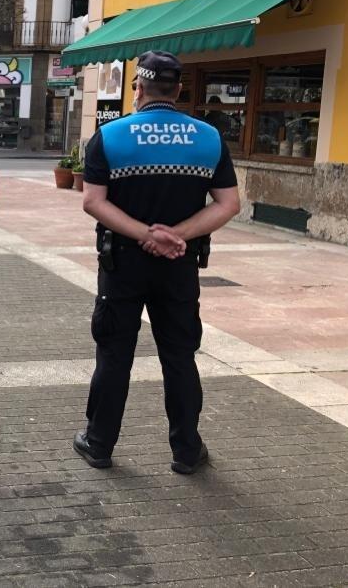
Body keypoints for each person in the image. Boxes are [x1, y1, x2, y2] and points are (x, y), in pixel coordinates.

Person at [75, 50, 240, 475]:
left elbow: (93, 202)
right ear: (179, 89)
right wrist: (177, 236)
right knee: (180, 357)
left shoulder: (110, 136)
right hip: (180, 264)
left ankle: (99, 444)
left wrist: (145, 234)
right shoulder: (208, 137)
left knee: (114, 356)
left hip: (122, 264)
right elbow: (228, 203)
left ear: (139, 88)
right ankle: (187, 451)